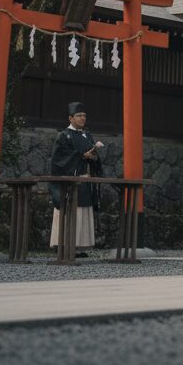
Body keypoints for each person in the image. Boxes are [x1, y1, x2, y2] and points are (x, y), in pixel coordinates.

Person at [49, 101, 103, 255]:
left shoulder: (87, 135)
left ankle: (80, 246)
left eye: (84, 116)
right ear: (70, 118)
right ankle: (63, 244)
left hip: (85, 178)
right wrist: (80, 156)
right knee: (69, 210)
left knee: (83, 210)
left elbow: (94, 158)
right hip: (69, 180)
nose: (82, 118)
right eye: (79, 116)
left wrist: (93, 157)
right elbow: (59, 159)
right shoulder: (64, 135)